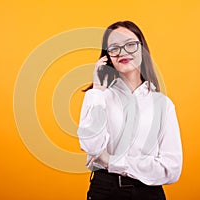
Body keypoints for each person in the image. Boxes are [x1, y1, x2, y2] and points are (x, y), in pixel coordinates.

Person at [77, 21, 182, 200]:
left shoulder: (163, 105)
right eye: (114, 48)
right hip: (105, 190)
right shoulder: (99, 98)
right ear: (107, 57)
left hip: (148, 193)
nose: (122, 52)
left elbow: (171, 170)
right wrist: (97, 90)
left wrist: (112, 161)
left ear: (142, 49)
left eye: (130, 44)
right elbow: (91, 147)